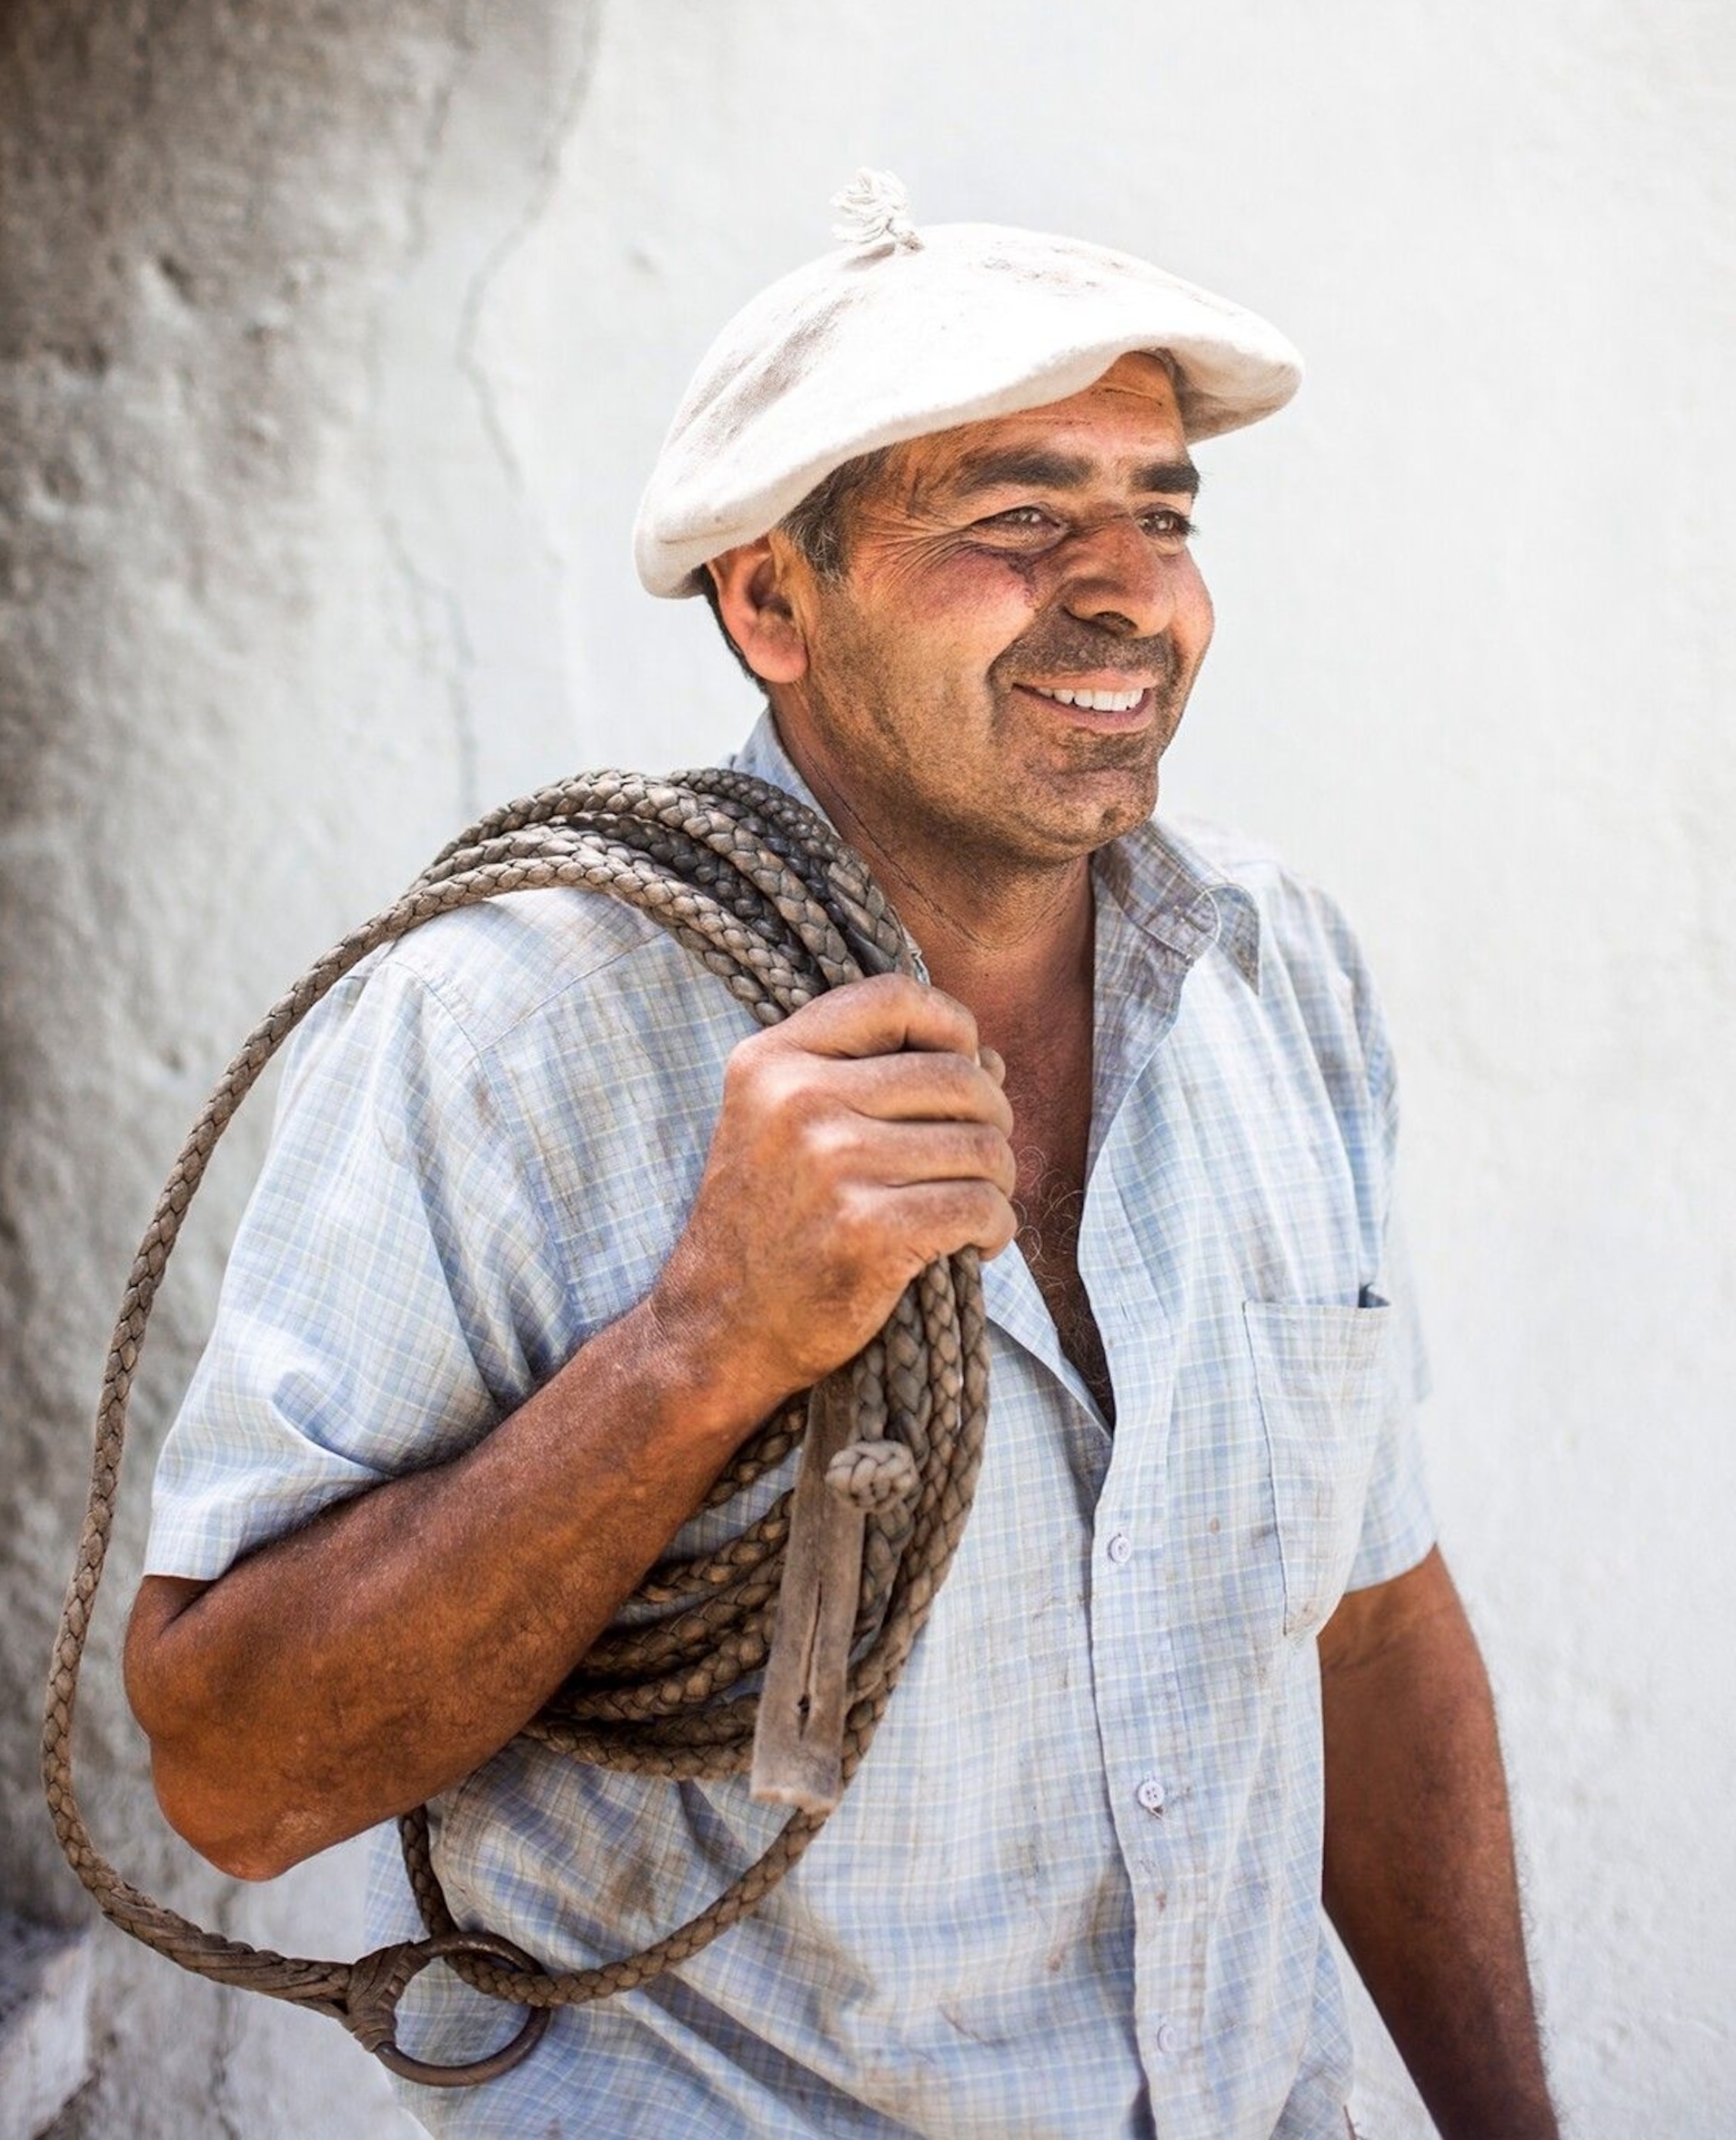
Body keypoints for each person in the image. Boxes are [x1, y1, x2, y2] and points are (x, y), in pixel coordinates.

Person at [125, 177, 1559, 2137]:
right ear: (767, 599)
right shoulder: (503, 1035)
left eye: (1159, 511)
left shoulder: (1273, 973)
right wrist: (697, 1345)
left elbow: (1372, 1623)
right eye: (1015, 518)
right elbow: (234, 1771)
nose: (1128, 586)